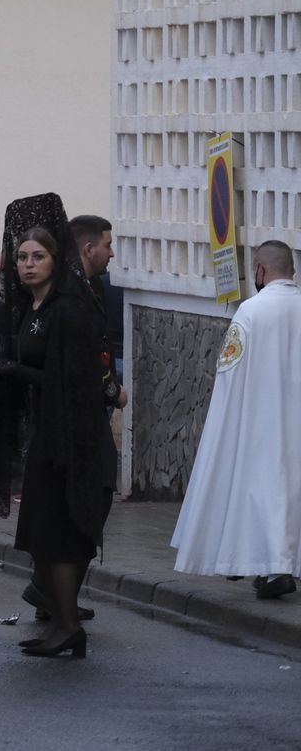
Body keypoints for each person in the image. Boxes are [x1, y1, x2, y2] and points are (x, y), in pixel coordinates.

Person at [0, 217, 113, 658]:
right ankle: (60, 623)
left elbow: (71, 379)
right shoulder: (31, 308)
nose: (27, 265)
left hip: (71, 436)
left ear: (57, 262)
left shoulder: (67, 309)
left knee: (60, 531)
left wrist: (18, 372)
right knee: (43, 531)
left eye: (38, 257)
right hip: (45, 430)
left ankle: (68, 626)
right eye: (21, 257)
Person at [172, 241, 301, 599]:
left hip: (260, 417)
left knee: (264, 491)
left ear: (259, 269)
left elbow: (231, 372)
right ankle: (281, 564)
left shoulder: (251, 311)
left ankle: (272, 566)